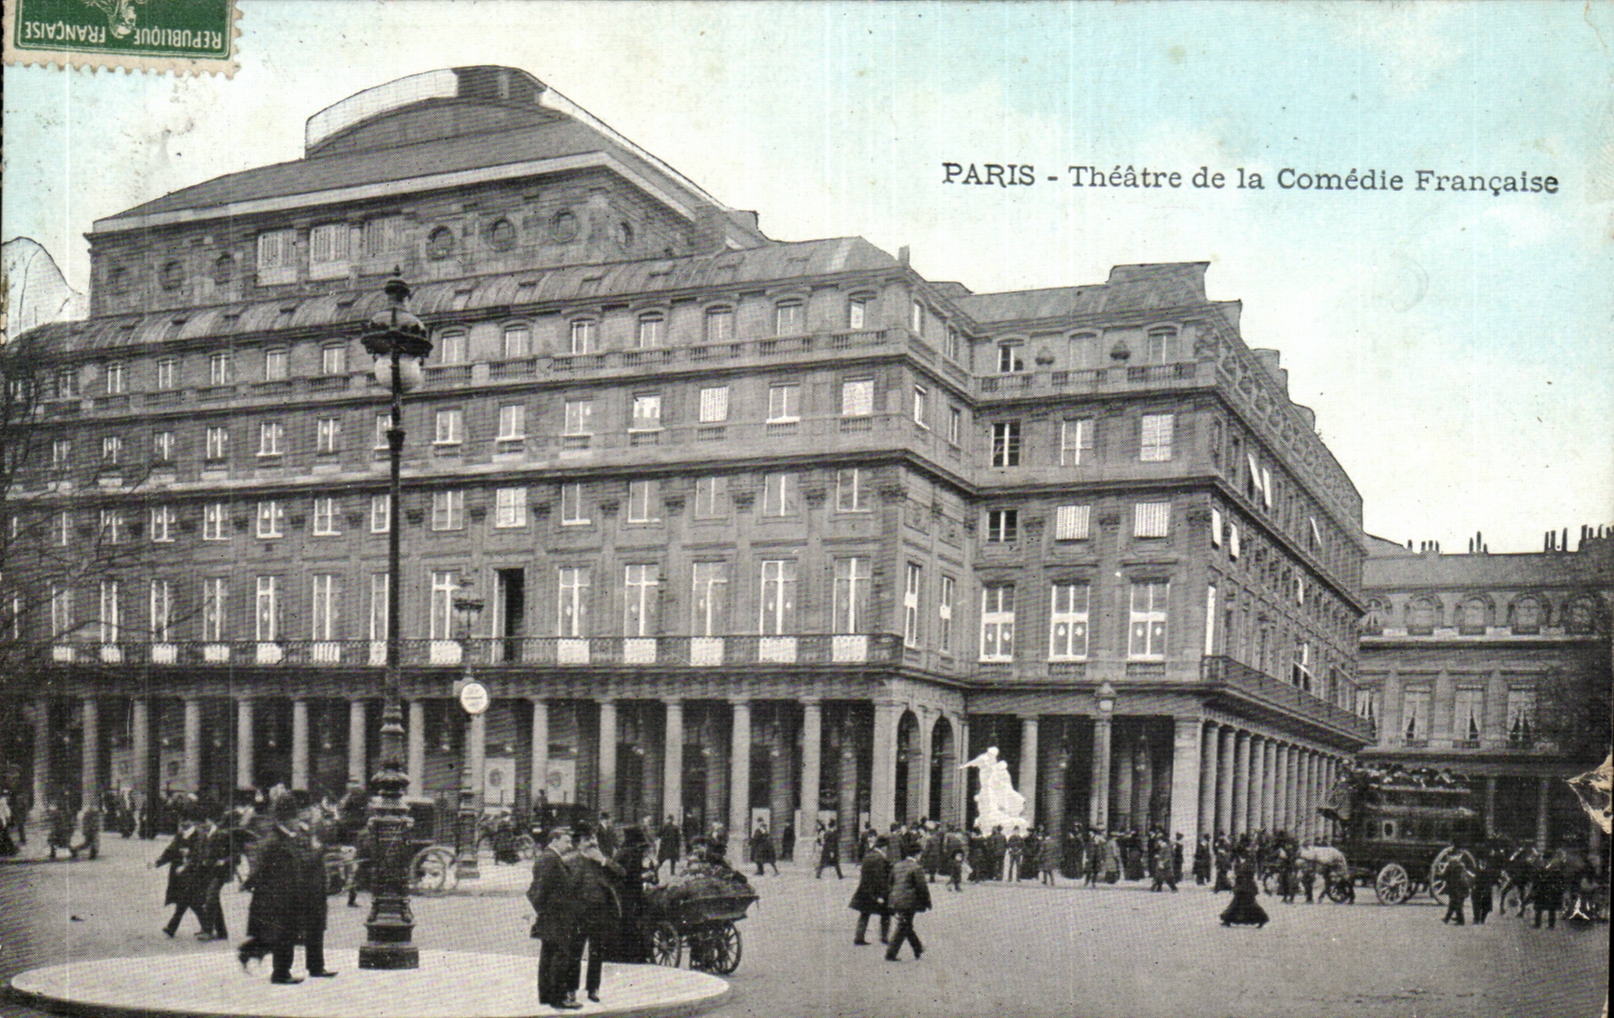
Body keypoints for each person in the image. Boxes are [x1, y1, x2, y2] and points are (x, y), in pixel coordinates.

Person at [566, 823, 620, 1005]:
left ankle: (593, 988)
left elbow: (621, 873)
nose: (592, 842)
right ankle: (570, 989)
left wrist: (604, 861)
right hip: (579, 914)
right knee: (575, 952)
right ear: (579, 843)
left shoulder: (602, 861)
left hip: (599, 913)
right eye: (588, 839)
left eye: (594, 838)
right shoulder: (570, 862)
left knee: (597, 952)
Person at [528, 824, 580, 1009]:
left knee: (549, 956)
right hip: (556, 918)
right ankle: (558, 997)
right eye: (566, 841)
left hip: (552, 917)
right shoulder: (551, 860)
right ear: (555, 840)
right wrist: (548, 911)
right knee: (559, 957)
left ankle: (548, 996)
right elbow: (537, 892)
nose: (569, 845)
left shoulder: (550, 858)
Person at [155, 811, 204, 938]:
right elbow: (170, 851)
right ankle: (207, 926)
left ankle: (172, 927)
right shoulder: (180, 835)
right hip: (178, 873)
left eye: (186, 820)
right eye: (181, 820)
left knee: (186, 899)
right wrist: (158, 863)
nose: (183, 823)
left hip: (192, 873)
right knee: (191, 901)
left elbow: (197, 856)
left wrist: (185, 866)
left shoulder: (198, 836)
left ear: (192, 822)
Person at [885, 841, 932, 962]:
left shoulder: (897, 865)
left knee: (906, 925)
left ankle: (918, 948)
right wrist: (927, 902)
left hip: (895, 900)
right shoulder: (916, 868)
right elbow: (922, 887)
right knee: (903, 926)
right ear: (917, 855)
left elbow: (890, 883)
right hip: (908, 902)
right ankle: (891, 953)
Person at [850, 836, 892, 946]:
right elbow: (880, 878)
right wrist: (881, 895)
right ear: (884, 847)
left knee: (864, 913)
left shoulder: (868, 855)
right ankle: (884, 937)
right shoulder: (880, 859)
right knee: (886, 913)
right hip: (877, 891)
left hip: (864, 890)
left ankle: (859, 937)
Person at [1219, 857, 1269, 928]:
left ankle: (1262, 919)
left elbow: (1247, 874)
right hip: (1245, 888)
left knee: (1241, 905)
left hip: (1245, 888)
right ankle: (1227, 920)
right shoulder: (1245, 863)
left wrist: (1240, 877)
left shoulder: (1248, 864)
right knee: (1239, 905)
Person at [1531, 851, 1565, 929]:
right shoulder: (1554, 866)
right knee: (1549, 907)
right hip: (1549, 889)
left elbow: (1537, 877)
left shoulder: (1544, 866)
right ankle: (1550, 925)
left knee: (1541, 906)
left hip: (1544, 888)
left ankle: (1538, 924)